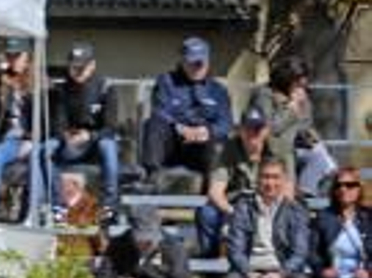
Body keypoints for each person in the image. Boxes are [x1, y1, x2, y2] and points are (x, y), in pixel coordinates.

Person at [196, 105, 283, 259]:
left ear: (266, 130)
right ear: (240, 130)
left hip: (268, 205)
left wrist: (266, 210)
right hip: (234, 205)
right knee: (206, 213)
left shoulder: (277, 150)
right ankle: (210, 265)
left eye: (258, 129)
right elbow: (215, 192)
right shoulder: (227, 150)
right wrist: (233, 212)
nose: (253, 134)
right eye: (248, 128)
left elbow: (286, 188)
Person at [47, 41, 120, 222]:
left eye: (82, 67)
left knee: (109, 146)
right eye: (74, 67)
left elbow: (110, 127)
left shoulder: (105, 88)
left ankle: (110, 205)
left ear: (92, 65)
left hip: (95, 144)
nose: (77, 71)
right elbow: (58, 123)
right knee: (46, 148)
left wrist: (89, 135)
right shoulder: (62, 89)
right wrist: (66, 136)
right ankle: (58, 205)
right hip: (70, 143)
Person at [141, 36, 232, 182]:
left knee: (218, 141)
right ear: (182, 61)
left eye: (200, 63)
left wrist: (206, 131)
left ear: (208, 62)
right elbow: (160, 111)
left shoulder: (218, 90)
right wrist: (181, 129)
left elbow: (226, 123)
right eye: (191, 63)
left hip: (202, 147)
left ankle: (212, 189)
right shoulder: (166, 82)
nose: (196, 68)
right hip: (173, 144)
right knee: (154, 123)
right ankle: (151, 178)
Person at [249, 58, 337, 197]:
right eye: (299, 80)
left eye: (305, 79)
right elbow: (270, 128)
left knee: (324, 160)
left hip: (295, 145)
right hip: (272, 148)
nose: (303, 84)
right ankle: (302, 195)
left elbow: (306, 125)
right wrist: (291, 108)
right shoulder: (264, 94)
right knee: (322, 160)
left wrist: (302, 111)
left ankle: (304, 193)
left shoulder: (301, 94)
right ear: (287, 78)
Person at [0, 38, 36, 221]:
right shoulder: (2, 78)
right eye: (10, 56)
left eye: (17, 56)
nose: (13, 60)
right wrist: (2, 71)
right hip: (11, 139)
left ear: (27, 57)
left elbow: (46, 113)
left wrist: (31, 138)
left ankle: (29, 213)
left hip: (33, 138)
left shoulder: (38, 80)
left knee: (38, 160)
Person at [52, 171, 105, 259]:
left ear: (75, 185)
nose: (60, 188)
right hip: (62, 257)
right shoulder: (62, 205)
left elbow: (96, 234)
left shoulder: (90, 204)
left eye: (63, 185)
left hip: (81, 257)